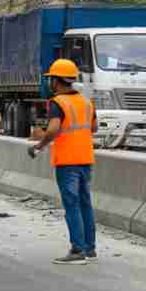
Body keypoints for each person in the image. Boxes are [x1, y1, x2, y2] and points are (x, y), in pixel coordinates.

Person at [29, 59, 97, 265]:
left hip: (67, 161)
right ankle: (89, 248)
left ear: (57, 81)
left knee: (72, 204)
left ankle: (77, 250)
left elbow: (53, 129)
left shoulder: (58, 103)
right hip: (85, 159)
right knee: (85, 204)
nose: (50, 83)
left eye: (52, 79)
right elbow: (93, 128)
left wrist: (39, 145)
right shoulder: (86, 102)